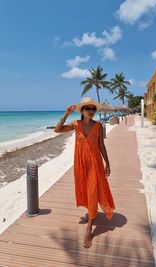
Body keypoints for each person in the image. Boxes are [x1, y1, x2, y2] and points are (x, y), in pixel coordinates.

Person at [55, 97, 115, 248]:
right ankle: (92, 213)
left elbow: (101, 145)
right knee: (88, 192)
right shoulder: (76, 125)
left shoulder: (98, 126)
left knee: (93, 190)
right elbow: (57, 130)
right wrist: (66, 114)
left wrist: (107, 162)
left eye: (93, 109)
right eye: (88, 108)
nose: (91, 111)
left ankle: (89, 228)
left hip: (95, 164)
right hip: (81, 164)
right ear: (82, 111)